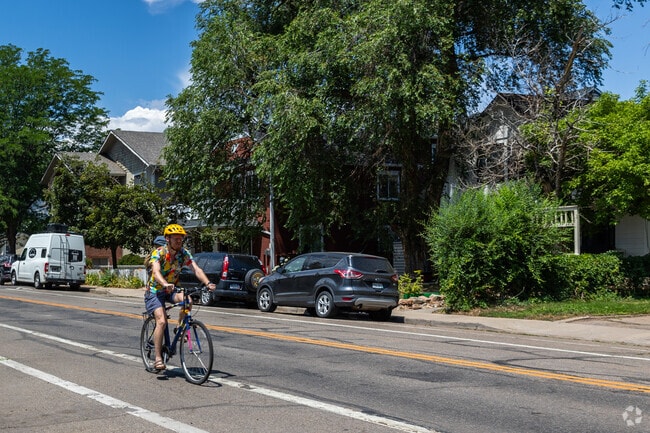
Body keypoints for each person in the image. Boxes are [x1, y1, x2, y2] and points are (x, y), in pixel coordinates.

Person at [144, 223, 216, 372]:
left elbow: (196, 269)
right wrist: (164, 283)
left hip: (171, 289)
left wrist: (207, 282)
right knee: (162, 321)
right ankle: (158, 358)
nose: (178, 241)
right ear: (167, 239)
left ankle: (179, 328)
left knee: (187, 300)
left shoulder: (184, 254)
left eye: (180, 239)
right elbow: (156, 272)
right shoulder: (159, 253)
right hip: (155, 291)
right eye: (175, 238)